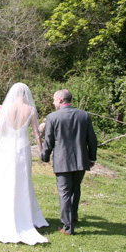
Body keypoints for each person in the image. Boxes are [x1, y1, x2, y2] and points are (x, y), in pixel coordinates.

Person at [0, 82, 49, 245]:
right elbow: (36, 132)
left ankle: (0, 213)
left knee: (2, 179)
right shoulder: (31, 109)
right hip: (22, 147)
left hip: (6, 149)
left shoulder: (6, 108)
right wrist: (41, 150)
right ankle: (24, 214)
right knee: (22, 180)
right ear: (26, 94)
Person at [40, 89, 97, 235]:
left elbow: (49, 141)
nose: (53, 103)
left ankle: (68, 227)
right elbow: (92, 139)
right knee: (75, 189)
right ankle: (73, 216)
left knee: (64, 192)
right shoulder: (83, 115)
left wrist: (44, 157)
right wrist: (91, 158)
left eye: (54, 100)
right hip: (81, 159)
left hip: (62, 160)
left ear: (59, 100)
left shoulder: (52, 117)